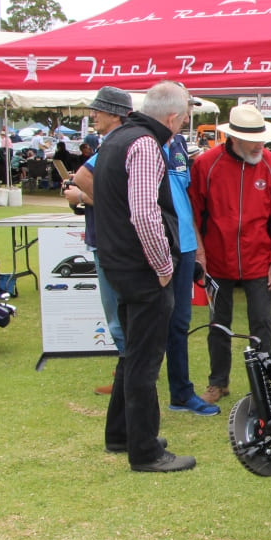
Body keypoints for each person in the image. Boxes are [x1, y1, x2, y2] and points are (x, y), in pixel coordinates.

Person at [93, 80, 196, 473]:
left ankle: (121, 434)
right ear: (173, 118)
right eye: (185, 116)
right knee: (145, 360)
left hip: (119, 263)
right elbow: (144, 213)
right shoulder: (145, 145)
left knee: (131, 353)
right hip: (142, 269)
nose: (184, 122)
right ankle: (146, 450)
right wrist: (163, 267)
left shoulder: (118, 138)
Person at [188, 104, 271, 406]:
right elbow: (195, 214)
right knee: (218, 324)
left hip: (259, 260)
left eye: (262, 137)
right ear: (234, 137)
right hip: (217, 260)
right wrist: (200, 254)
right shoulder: (206, 165)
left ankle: (264, 381)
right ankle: (217, 382)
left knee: (262, 322)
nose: (260, 144)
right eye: (253, 139)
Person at [62, 86, 133, 396]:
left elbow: (82, 178)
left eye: (99, 111)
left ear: (114, 114)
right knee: (120, 316)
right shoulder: (123, 143)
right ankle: (128, 376)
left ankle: (127, 380)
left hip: (108, 242)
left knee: (117, 319)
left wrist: (82, 196)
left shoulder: (112, 146)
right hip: (110, 239)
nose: (94, 115)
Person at [162, 131, 219, 416]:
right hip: (158, 246)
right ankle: (135, 393)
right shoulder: (140, 141)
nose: (187, 117)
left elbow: (184, 200)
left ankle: (181, 393)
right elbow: (89, 176)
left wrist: (196, 246)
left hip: (183, 246)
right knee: (149, 324)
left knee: (179, 322)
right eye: (184, 110)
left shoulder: (180, 144)